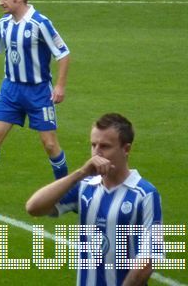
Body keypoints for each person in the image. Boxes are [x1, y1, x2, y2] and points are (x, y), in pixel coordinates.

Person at [26, 113, 163, 286]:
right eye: (93, 145)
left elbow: (148, 260)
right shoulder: (85, 186)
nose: (97, 153)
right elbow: (33, 207)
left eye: (105, 146)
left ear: (126, 149)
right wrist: (80, 173)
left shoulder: (145, 194)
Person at [0, 0, 70, 202]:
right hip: (10, 90)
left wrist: (60, 86)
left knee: (50, 144)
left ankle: (67, 195)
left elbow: (63, 53)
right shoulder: (4, 22)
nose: (0, 2)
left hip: (38, 92)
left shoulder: (40, 22)